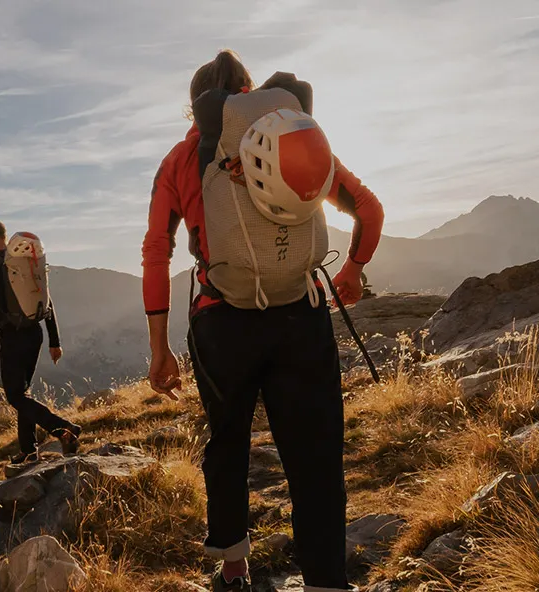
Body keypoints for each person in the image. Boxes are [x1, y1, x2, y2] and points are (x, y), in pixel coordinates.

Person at [141, 50, 384, 592]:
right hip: (300, 315)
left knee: (228, 443)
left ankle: (234, 567)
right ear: (251, 95)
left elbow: (156, 251)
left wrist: (159, 348)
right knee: (316, 457)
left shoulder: (180, 160)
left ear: (197, 108)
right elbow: (368, 209)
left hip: (221, 324)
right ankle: (325, 582)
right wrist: (354, 270)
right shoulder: (287, 137)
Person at [0, 220, 81, 464]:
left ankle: (63, 428)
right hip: (36, 333)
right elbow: (47, 302)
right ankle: (29, 449)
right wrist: (55, 340)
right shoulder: (28, 263)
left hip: (12, 337)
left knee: (16, 396)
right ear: (4, 236)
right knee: (25, 393)